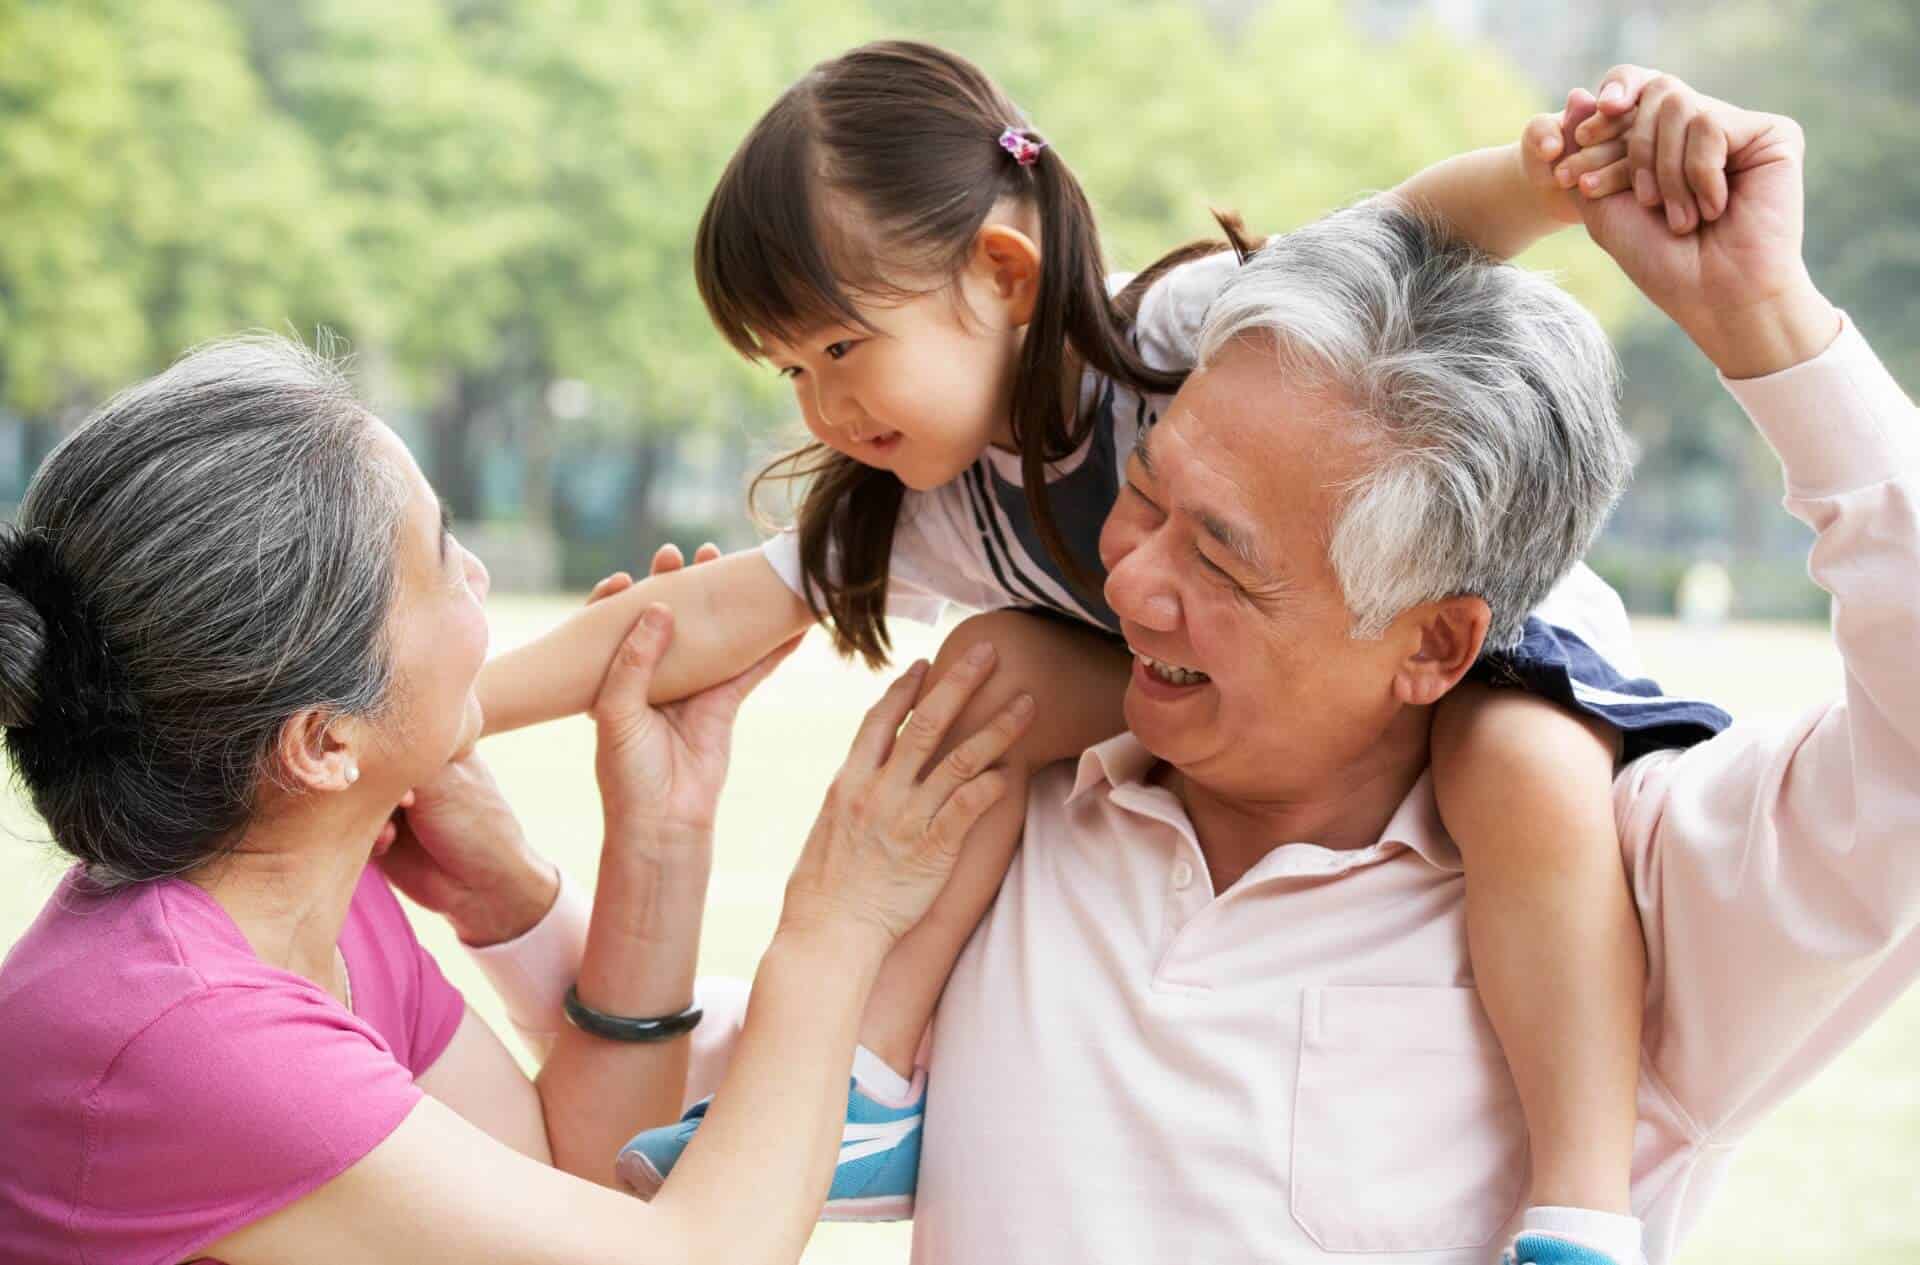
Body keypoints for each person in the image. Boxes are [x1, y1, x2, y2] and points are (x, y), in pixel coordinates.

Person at [479, 68, 1920, 1265]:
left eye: (1220, 557)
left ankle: (1580, 1207)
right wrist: (540, 864)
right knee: (994, 663)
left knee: (1521, 758)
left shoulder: (1645, 892)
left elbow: (1417, 217)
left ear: (1434, 639)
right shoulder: (1030, 786)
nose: (1131, 576)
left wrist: (1757, 319)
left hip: (1537, 713)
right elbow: (673, 1153)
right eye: (1143, 496)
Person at [0, 336, 1035, 1265]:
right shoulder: (188, 1032)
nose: (482, 576)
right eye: (443, 557)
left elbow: (571, 1181)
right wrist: (839, 923)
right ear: (321, 742)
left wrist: (657, 838)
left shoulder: (294, 900)